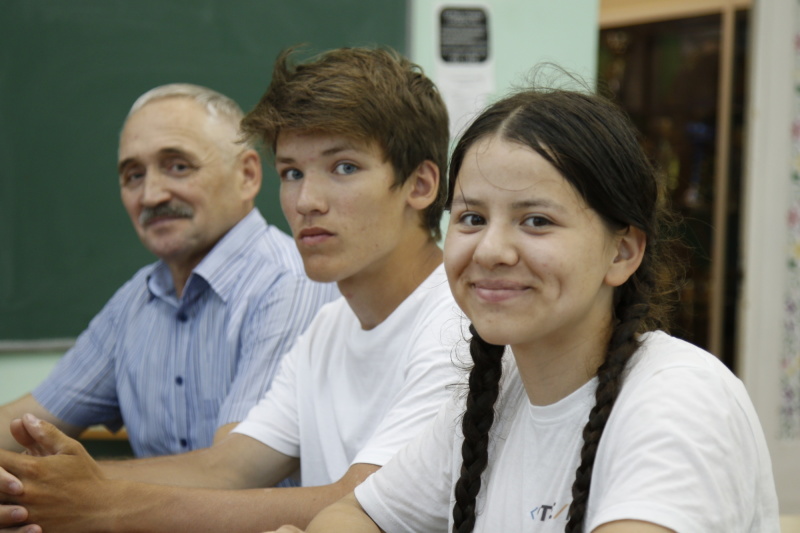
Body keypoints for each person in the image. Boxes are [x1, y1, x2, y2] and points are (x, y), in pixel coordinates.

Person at [275, 85, 781, 532]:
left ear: (622, 251)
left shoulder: (680, 399)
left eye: (536, 221)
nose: (491, 250)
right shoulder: (492, 395)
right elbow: (352, 514)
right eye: (471, 217)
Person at [0, 46, 462, 532]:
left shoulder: (457, 324)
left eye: (343, 167)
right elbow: (230, 468)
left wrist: (101, 503)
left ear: (421, 184)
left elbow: (364, 501)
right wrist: (51, 485)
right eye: (292, 173)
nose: (307, 201)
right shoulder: (329, 327)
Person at [0, 83, 338, 458]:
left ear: (247, 176)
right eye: (133, 176)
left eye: (177, 167)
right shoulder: (135, 301)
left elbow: (233, 476)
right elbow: (33, 420)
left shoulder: (291, 281)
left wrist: (85, 489)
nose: (151, 195)